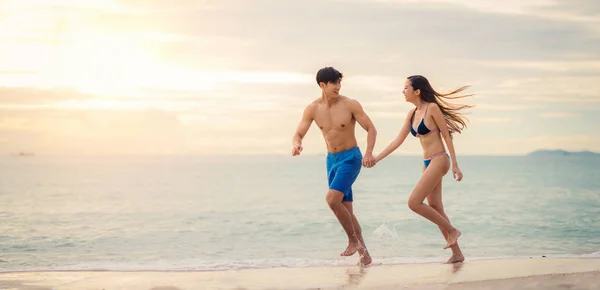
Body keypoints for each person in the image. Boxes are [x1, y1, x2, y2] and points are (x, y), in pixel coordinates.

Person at [374, 75, 473, 264]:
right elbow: (398, 140)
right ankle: (457, 254)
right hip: (427, 162)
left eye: (405, 88)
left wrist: (455, 164)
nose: (403, 91)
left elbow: (447, 136)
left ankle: (453, 231)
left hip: (439, 159)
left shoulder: (432, 108)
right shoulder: (411, 114)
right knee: (435, 207)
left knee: (414, 202)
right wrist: (377, 159)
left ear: (416, 91)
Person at [292, 66, 377, 266]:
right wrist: (297, 144)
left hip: (351, 158)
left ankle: (353, 241)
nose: (338, 86)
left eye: (340, 82)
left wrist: (369, 152)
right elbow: (299, 133)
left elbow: (371, 128)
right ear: (323, 85)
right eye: (334, 83)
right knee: (346, 209)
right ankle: (365, 256)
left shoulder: (350, 105)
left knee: (332, 200)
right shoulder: (312, 108)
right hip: (332, 160)